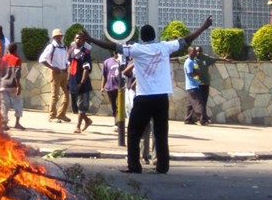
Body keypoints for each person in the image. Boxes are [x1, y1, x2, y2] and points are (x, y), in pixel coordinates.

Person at [83, 15, 213, 174]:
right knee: (161, 133)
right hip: (161, 97)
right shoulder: (165, 47)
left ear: (142, 38)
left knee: (133, 132)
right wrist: (204, 27)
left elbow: (113, 46)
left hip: (144, 97)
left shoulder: (137, 49)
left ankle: (134, 166)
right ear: (154, 36)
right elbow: (186, 39)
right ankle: (162, 166)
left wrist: (91, 39)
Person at [39, 28, 70, 123]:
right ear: (54, 37)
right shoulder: (51, 46)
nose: (59, 37)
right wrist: (52, 68)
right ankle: (52, 116)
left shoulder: (64, 47)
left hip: (64, 72)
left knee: (67, 95)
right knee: (55, 95)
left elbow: (65, 59)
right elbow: (42, 59)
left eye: (60, 35)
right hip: (55, 73)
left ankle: (61, 114)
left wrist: (66, 67)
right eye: (57, 36)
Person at [67, 32, 93, 133]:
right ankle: (87, 120)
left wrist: (81, 83)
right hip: (73, 81)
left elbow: (86, 69)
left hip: (82, 84)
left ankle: (78, 126)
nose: (78, 40)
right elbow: (70, 66)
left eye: (80, 39)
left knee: (82, 105)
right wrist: (68, 80)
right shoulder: (72, 51)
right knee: (76, 106)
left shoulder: (85, 53)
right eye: (76, 38)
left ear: (83, 41)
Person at [0, 42, 25, 131]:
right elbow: (17, 74)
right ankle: (17, 123)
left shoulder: (3, 59)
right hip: (13, 85)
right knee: (18, 103)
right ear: (16, 50)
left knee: (4, 105)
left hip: (2, 85)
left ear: (8, 50)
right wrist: (19, 86)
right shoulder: (17, 59)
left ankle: (4, 123)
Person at [183, 46, 208, 125]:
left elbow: (198, 71)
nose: (195, 53)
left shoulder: (194, 61)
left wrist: (197, 72)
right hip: (192, 86)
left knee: (190, 104)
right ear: (189, 52)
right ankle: (202, 119)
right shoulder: (188, 62)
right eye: (193, 52)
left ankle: (188, 119)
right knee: (199, 103)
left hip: (195, 84)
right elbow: (191, 73)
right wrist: (197, 72)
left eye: (195, 52)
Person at [102, 50, 121, 131]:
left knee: (120, 105)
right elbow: (104, 75)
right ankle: (116, 121)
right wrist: (102, 87)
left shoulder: (123, 61)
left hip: (120, 87)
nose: (117, 54)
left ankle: (120, 122)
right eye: (115, 52)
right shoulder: (107, 61)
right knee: (114, 105)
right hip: (110, 86)